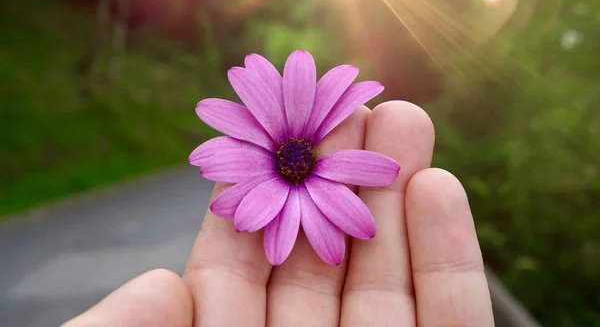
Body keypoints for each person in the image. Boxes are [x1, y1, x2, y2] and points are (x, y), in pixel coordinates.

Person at [63, 101, 494, 326]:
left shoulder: (315, 168)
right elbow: (239, 209)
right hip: (283, 187)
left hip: (306, 187)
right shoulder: (269, 170)